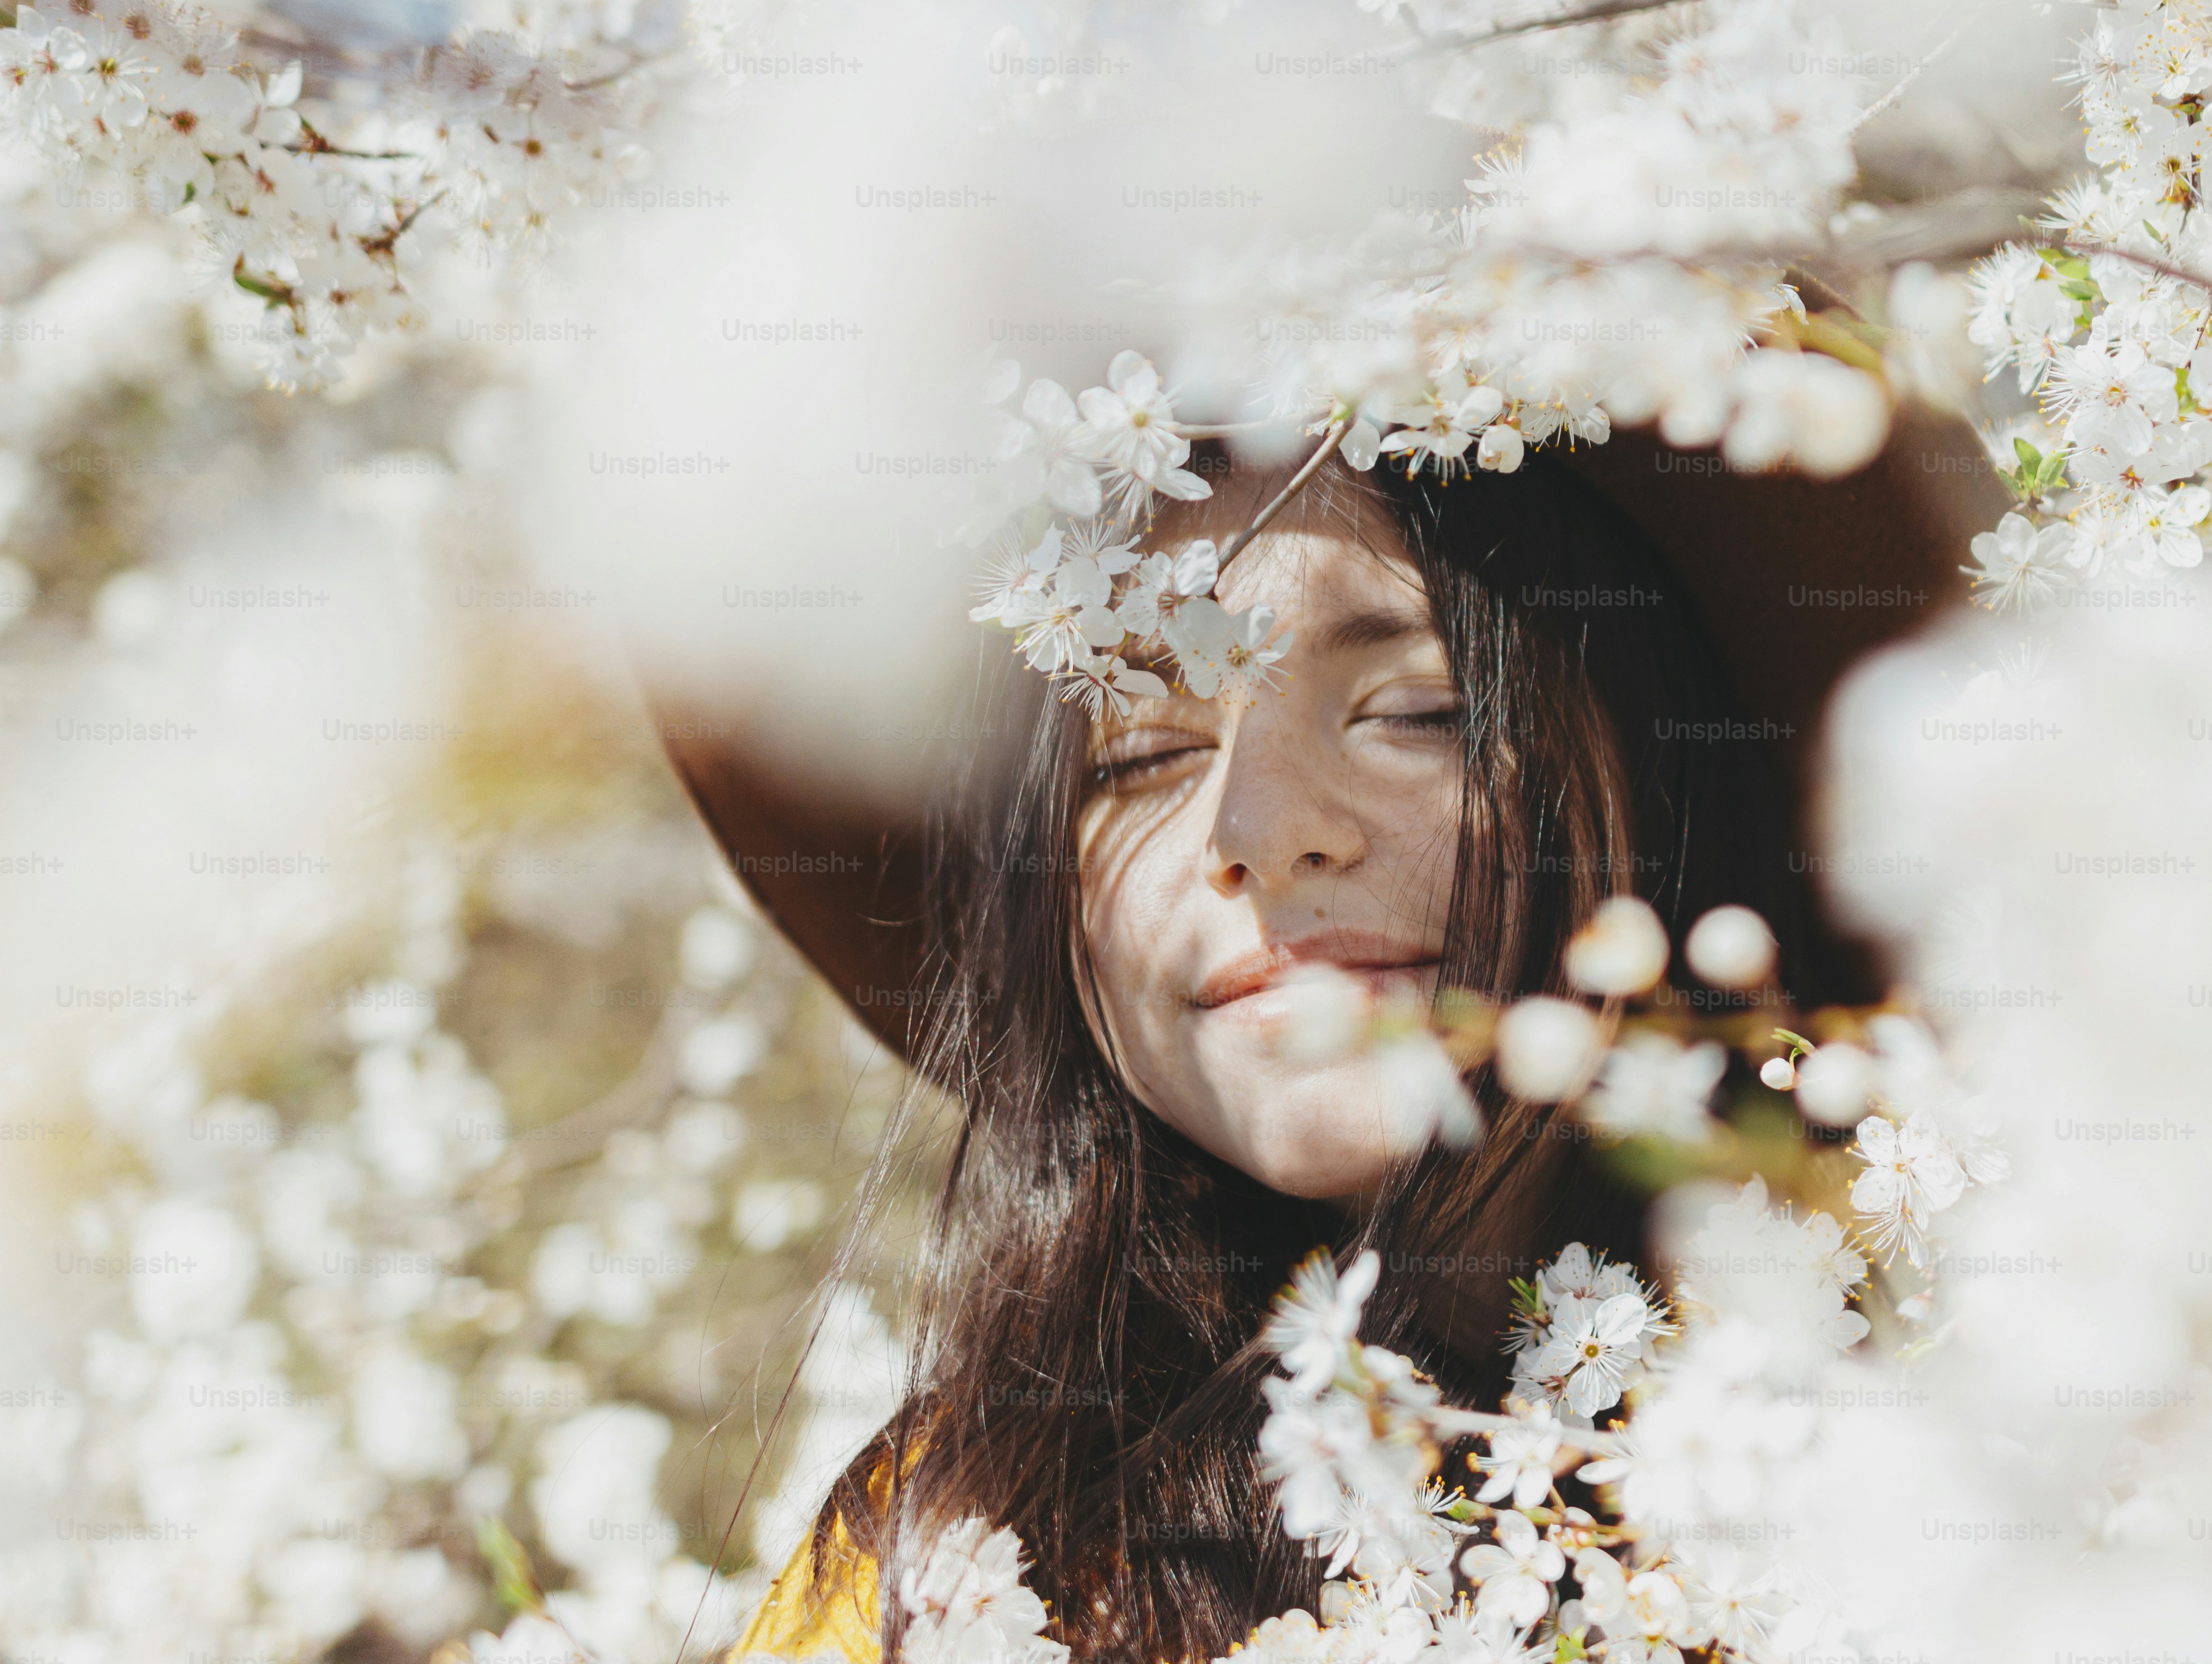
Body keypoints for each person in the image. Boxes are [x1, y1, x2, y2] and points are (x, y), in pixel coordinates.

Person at [677, 417, 1990, 1662]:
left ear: (1668, 772)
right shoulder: (962, 1572)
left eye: (1418, 710)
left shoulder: (2001, 1400)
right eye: (1132, 758)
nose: (1255, 828)